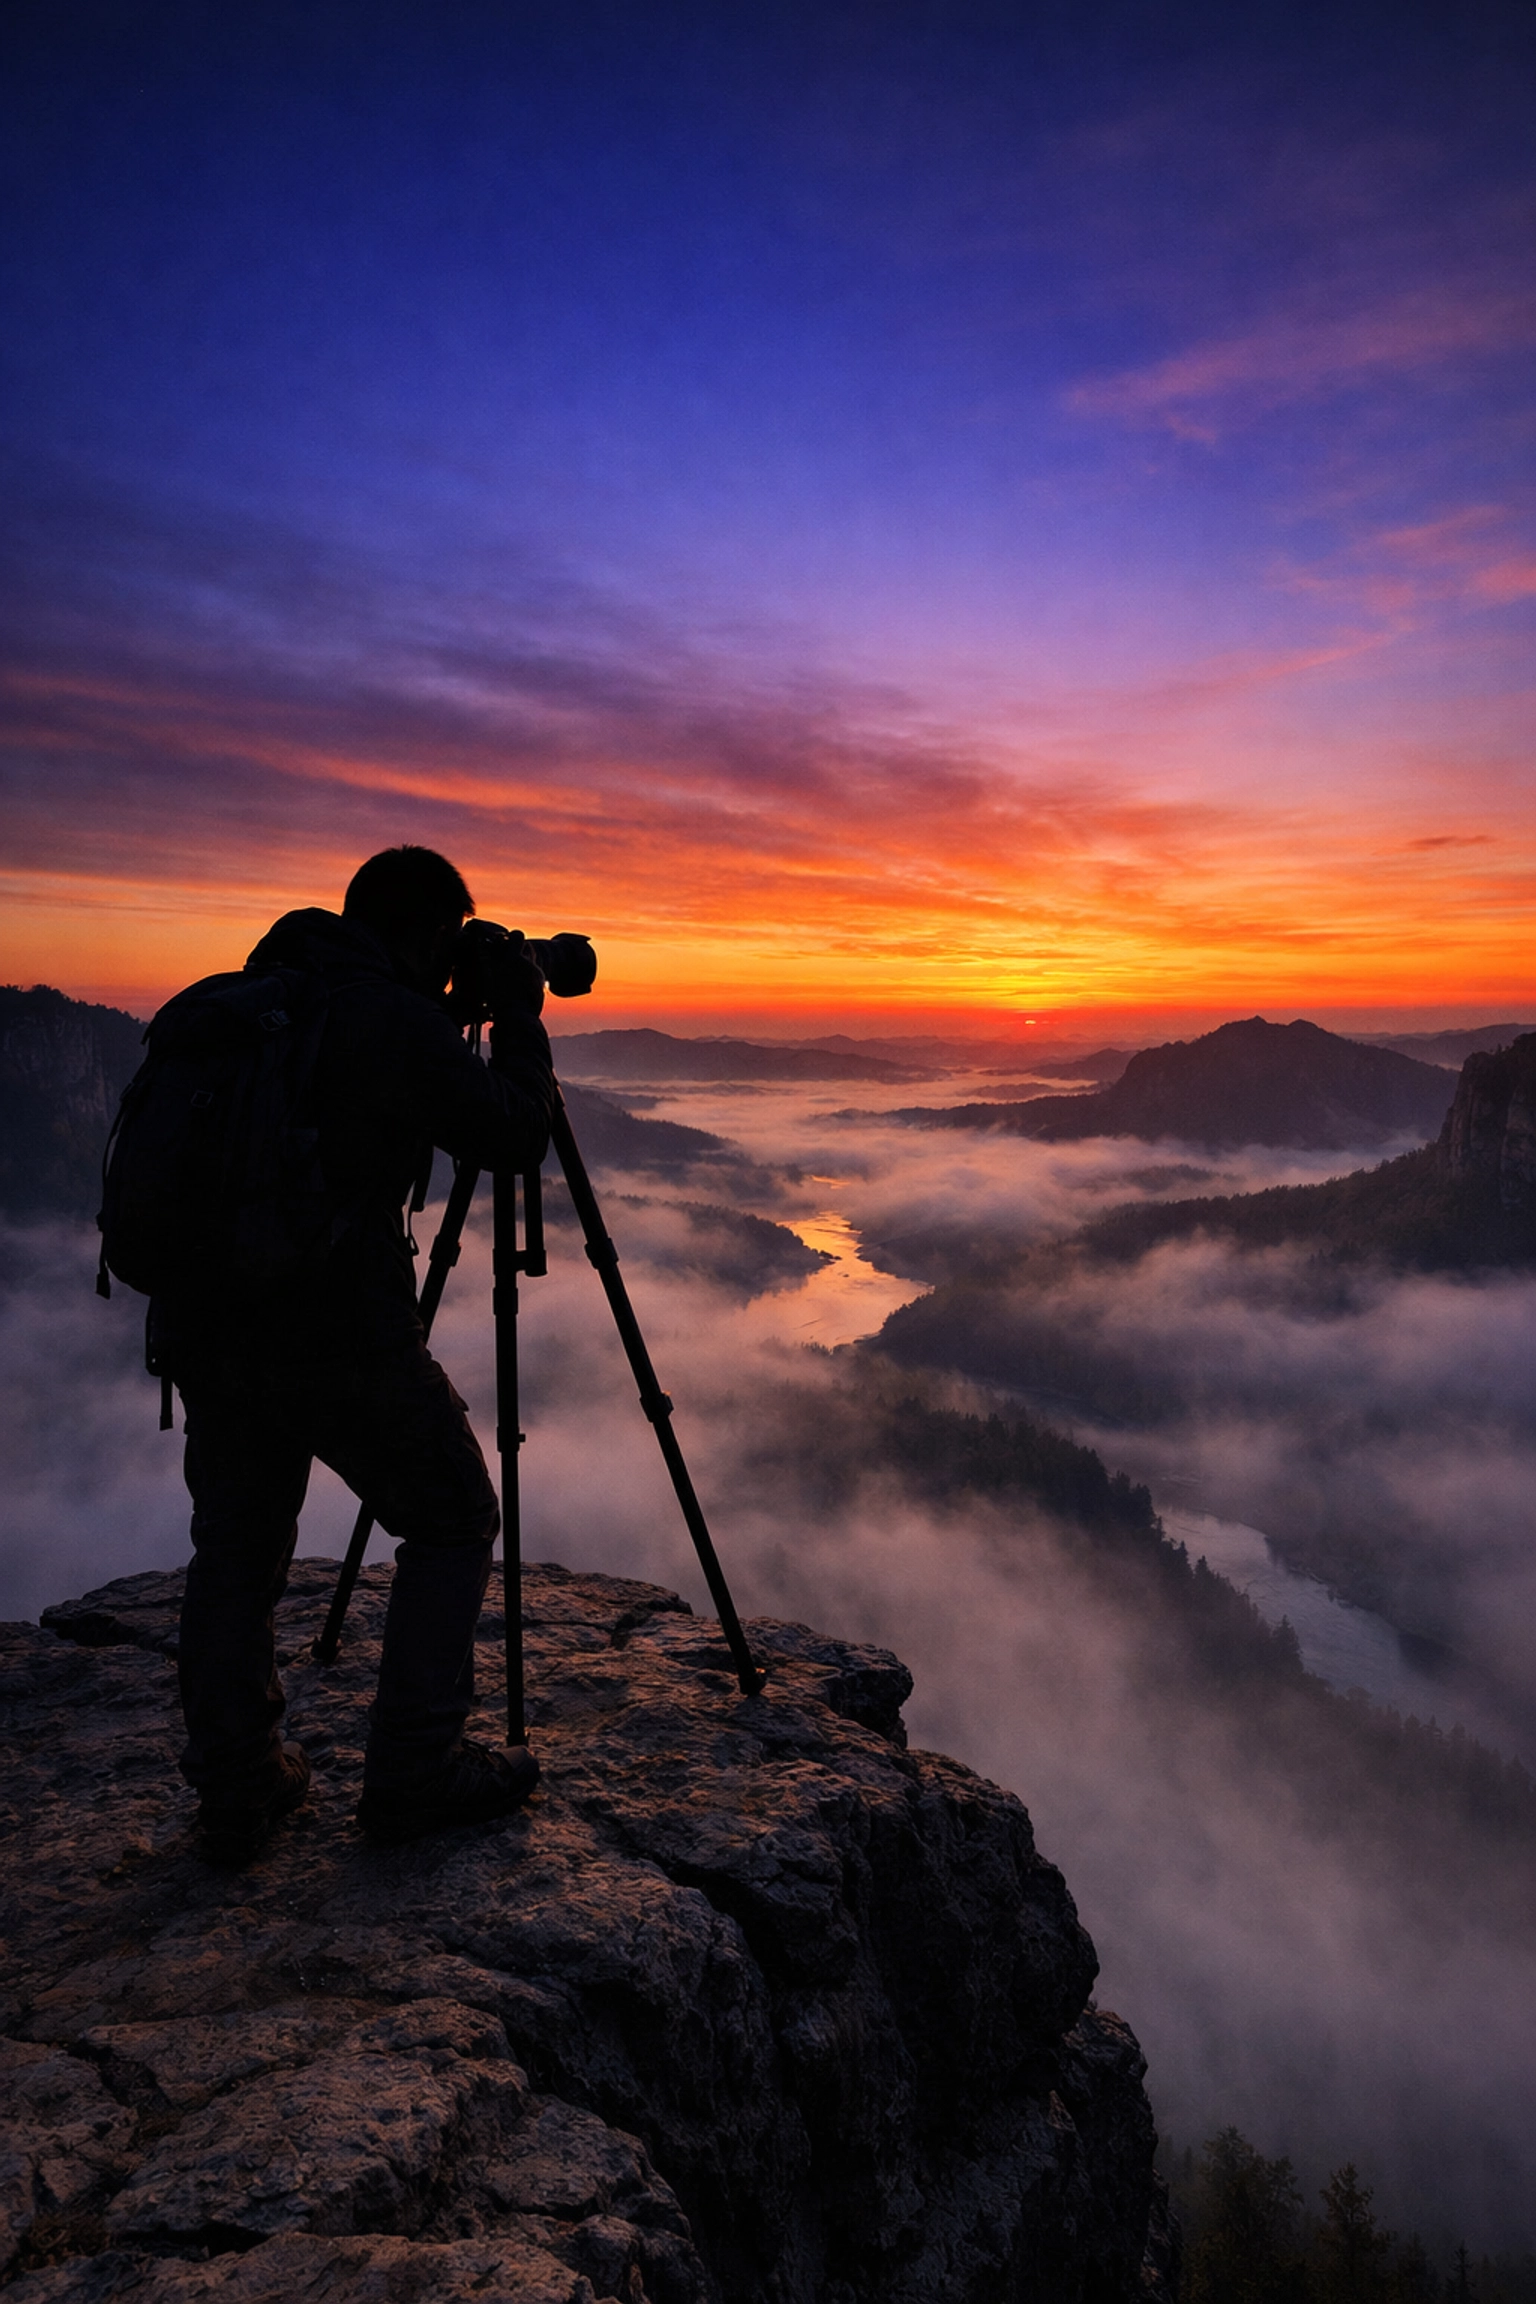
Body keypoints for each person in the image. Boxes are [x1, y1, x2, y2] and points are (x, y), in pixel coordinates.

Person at [161, 845, 554, 1862]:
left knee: (237, 1545)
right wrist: (517, 1017)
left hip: (208, 1324)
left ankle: (238, 1786)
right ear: (425, 933)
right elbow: (513, 1135)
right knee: (456, 1514)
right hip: (331, 1327)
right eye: (450, 944)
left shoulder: (262, 996)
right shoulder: (387, 1018)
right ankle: (417, 1770)